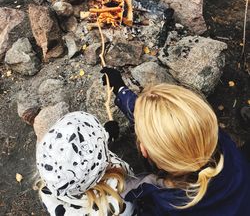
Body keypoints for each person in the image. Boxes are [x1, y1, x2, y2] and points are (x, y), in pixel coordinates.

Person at [101, 67, 250, 216]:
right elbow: (170, 125)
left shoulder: (163, 205)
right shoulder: (213, 137)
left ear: (144, 151)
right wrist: (121, 90)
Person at [35, 111, 134, 215]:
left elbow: (81, 158)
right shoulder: (117, 202)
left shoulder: (53, 184)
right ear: (98, 175)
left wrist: (105, 134)